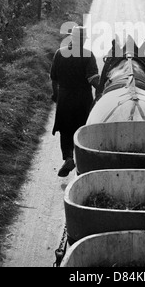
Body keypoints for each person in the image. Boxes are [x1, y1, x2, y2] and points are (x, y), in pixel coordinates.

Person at [50, 26, 100, 177]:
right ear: (83, 40)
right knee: (82, 131)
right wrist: (104, 86)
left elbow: (54, 78)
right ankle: (82, 163)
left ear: (72, 38)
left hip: (64, 98)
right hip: (83, 101)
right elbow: (92, 79)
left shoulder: (60, 53)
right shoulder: (88, 55)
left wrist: (55, 94)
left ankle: (69, 158)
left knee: (65, 131)